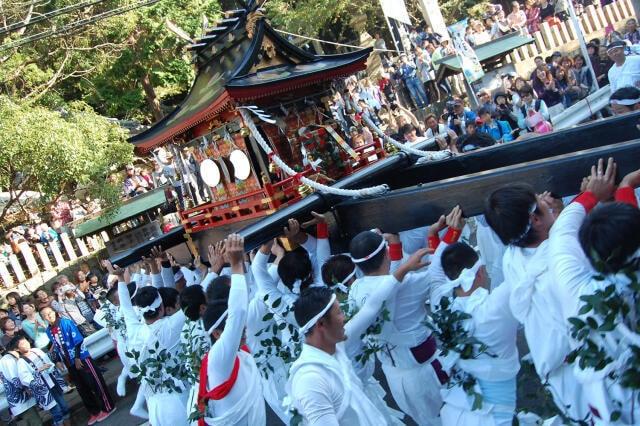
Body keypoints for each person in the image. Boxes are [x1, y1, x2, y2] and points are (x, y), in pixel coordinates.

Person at [484, 184, 589, 421]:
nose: (544, 198)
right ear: (534, 219)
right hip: (589, 363)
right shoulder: (563, 256)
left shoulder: (512, 257)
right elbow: (565, 243)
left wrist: (555, 216)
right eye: (539, 200)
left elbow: (555, 237)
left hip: (558, 372)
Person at [548, 158, 640, 424]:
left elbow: (562, 234)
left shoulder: (576, 289)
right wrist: (625, 188)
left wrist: (591, 196)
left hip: (603, 400)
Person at [348, 231, 448, 425]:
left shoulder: (356, 289)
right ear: (385, 253)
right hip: (426, 374)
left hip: (394, 376)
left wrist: (395, 245)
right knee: (452, 417)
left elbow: (388, 283)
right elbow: (439, 270)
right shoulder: (410, 283)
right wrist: (435, 235)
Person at [196, 234, 266, 425]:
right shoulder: (219, 357)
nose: (242, 329)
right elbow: (238, 311)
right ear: (217, 334)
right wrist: (235, 264)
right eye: (234, 327)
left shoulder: (238, 353)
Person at [41, 306, 115, 424]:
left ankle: (107, 407)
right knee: (82, 389)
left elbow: (78, 340)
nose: (48, 316)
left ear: (54, 312)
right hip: (68, 362)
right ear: (43, 318)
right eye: (45, 315)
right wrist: (58, 360)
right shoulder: (48, 331)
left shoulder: (65, 322)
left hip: (81, 358)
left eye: (50, 313)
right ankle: (94, 411)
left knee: (95, 383)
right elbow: (55, 345)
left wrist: (76, 357)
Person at [13, 335, 71, 426]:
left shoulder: (36, 350)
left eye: (26, 341)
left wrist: (50, 365)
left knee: (64, 406)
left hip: (53, 381)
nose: (26, 344)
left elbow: (48, 361)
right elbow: (25, 379)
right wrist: (39, 370)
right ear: (17, 349)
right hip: (43, 390)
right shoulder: (21, 362)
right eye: (22, 344)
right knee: (56, 411)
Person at [0, 345, 41, 425]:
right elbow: (16, 380)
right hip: (21, 399)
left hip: (18, 400)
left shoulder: (5, 360)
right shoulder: (8, 360)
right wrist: (27, 388)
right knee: (36, 423)